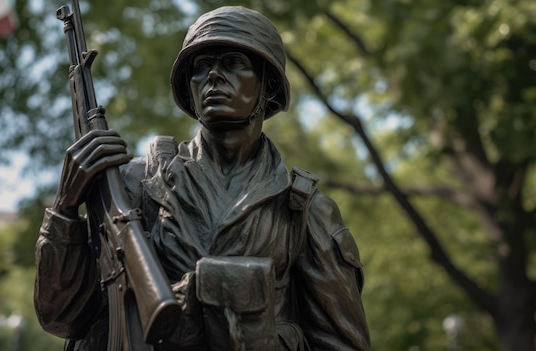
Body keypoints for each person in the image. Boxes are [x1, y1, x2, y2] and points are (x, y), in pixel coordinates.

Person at [34, 6, 371, 351]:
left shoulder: (304, 211)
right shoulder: (134, 184)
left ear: (268, 85)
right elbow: (64, 318)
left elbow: (342, 345)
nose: (213, 76)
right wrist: (64, 210)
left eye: (234, 62)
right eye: (200, 66)